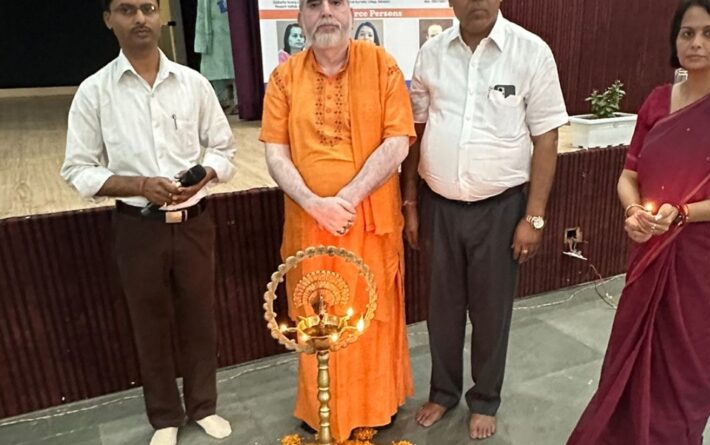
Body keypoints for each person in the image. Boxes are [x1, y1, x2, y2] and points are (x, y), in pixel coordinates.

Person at [567, 1, 710, 444]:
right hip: (650, 249)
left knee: (688, 371)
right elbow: (629, 176)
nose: (696, 43)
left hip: (708, 263)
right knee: (628, 358)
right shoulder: (658, 101)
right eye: (687, 33)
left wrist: (686, 213)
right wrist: (633, 211)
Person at [61, 1, 236, 444]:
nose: (140, 19)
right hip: (137, 228)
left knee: (200, 319)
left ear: (160, 17)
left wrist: (205, 175)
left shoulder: (193, 84)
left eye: (148, 8)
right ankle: (165, 417)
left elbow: (223, 149)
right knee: (149, 324)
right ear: (108, 20)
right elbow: (77, 169)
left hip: (195, 223)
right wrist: (139, 184)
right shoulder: (94, 92)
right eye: (127, 10)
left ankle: (204, 406)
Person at [404, 0, 568, 440]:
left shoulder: (531, 51)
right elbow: (416, 133)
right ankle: (443, 392)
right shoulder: (431, 54)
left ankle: (485, 399)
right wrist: (411, 203)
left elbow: (547, 138)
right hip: (438, 206)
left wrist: (534, 217)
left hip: (501, 209)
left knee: (492, 312)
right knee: (441, 311)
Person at [260, 0, 414, 441]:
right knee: (315, 312)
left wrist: (345, 199)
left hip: (368, 223)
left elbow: (398, 141)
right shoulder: (284, 78)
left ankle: (374, 407)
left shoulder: (382, 65)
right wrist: (314, 203)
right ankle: (322, 410)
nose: (326, 12)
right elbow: (275, 153)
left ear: (350, 12)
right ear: (300, 18)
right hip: (309, 224)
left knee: (373, 315)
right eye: (314, 4)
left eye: (336, 2)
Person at [195, 0, 237, 113]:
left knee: (238, 67)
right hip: (215, 35)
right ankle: (223, 101)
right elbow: (202, 16)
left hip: (236, 32)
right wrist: (201, 42)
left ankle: (239, 102)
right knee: (217, 69)